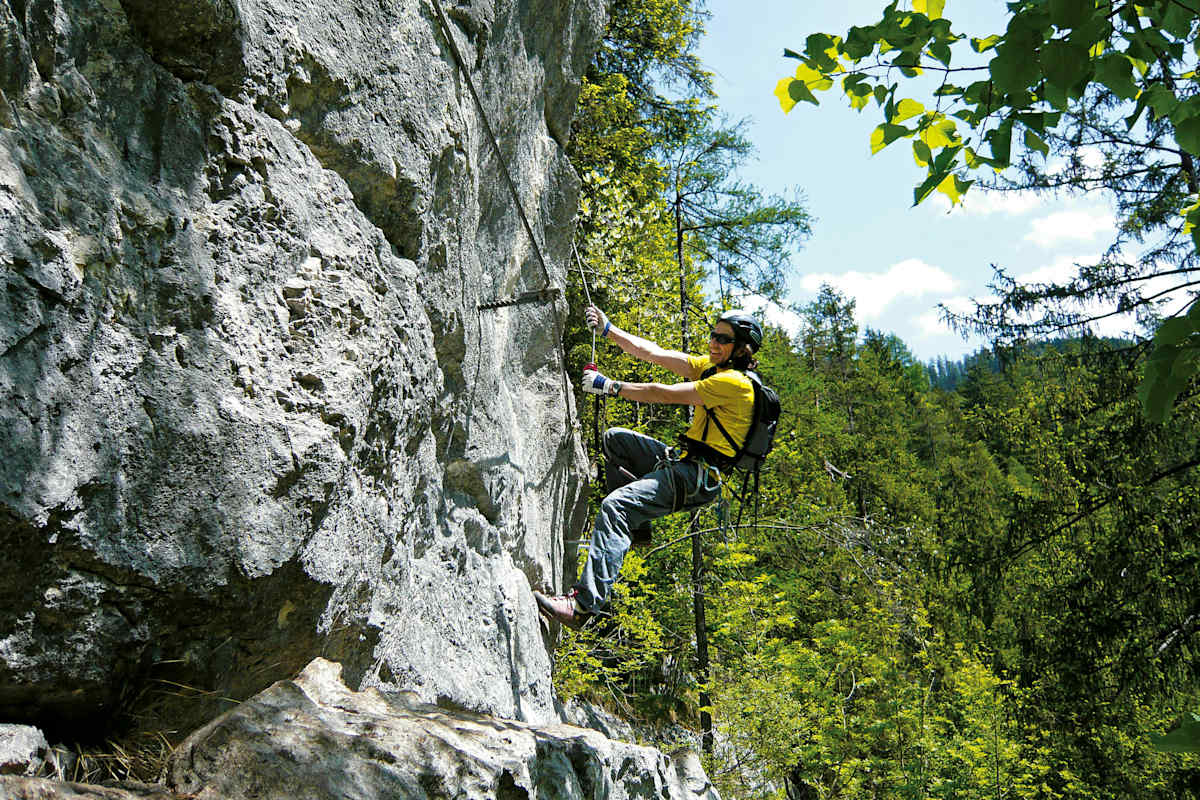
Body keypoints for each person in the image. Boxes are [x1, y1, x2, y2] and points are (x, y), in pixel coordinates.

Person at [534, 305, 762, 629]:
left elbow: (664, 394)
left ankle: (582, 607)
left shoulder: (734, 384)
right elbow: (653, 353)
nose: (713, 342)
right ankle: (637, 529)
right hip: (684, 463)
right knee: (616, 440)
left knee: (616, 507)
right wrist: (608, 329)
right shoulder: (710, 368)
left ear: (741, 349)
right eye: (714, 335)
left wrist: (610, 386)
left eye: (723, 339)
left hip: (696, 478)